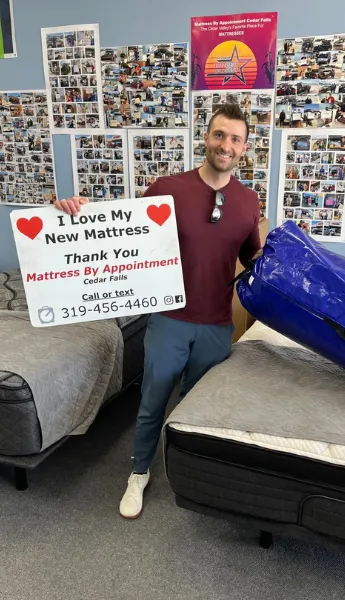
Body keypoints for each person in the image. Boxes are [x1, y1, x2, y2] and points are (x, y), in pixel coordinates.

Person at [53, 103, 263, 519]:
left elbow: (253, 258)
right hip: (170, 319)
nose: (226, 145)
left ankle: (187, 475)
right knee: (152, 402)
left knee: (196, 408)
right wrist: (73, 214)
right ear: (206, 138)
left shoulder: (248, 201)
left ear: (244, 148)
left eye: (235, 139)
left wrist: (293, 251)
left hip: (217, 325)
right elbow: (120, 231)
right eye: (219, 135)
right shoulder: (168, 188)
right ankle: (138, 472)